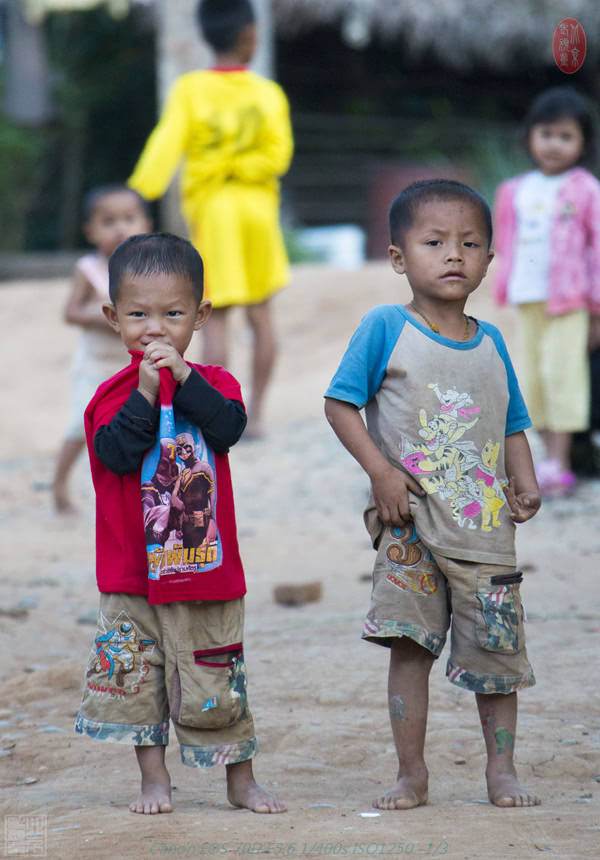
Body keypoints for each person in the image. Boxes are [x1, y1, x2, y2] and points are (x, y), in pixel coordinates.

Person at [324, 179, 542, 811]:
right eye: (435, 241)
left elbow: (511, 423)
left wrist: (523, 482)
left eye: (470, 244)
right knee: (409, 649)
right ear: (399, 258)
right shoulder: (387, 327)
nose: (454, 255)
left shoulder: (492, 342)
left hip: (486, 538)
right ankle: (411, 773)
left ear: (489, 261)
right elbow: (341, 405)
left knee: (498, 658)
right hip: (410, 529)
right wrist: (380, 472)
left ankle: (501, 771)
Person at [75, 232, 286, 815]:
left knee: (218, 676)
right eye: (138, 314)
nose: (155, 329)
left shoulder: (216, 385)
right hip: (131, 577)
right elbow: (117, 454)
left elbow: (227, 429)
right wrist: (146, 392)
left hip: (206, 569)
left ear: (200, 315)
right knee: (138, 682)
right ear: (113, 318)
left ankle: (239, 781)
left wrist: (183, 382)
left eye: (173, 314)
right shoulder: (108, 397)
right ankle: (154, 780)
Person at [128, 0, 293, 439]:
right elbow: (278, 156)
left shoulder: (190, 90)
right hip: (257, 211)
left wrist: (137, 196)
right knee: (261, 314)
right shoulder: (268, 93)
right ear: (251, 35)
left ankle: (223, 412)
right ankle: (256, 417)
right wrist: (244, 165)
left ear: (206, 36)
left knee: (215, 317)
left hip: (215, 213)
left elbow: (165, 146)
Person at [493, 86, 600, 498]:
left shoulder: (585, 188)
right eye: (547, 134)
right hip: (528, 296)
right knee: (533, 379)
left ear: (583, 143)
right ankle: (542, 458)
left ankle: (562, 461)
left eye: (566, 136)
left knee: (563, 376)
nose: (554, 144)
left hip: (571, 301)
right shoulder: (514, 190)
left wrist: (596, 309)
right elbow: (506, 244)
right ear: (530, 137)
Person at [52, 185, 152, 512]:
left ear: (146, 224)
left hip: (135, 365)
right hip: (96, 364)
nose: (121, 228)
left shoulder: (150, 268)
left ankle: (139, 490)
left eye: (129, 218)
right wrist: (104, 316)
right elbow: (70, 312)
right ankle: (59, 481)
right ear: (91, 231)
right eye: (108, 222)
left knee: (136, 423)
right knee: (82, 424)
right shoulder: (89, 269)